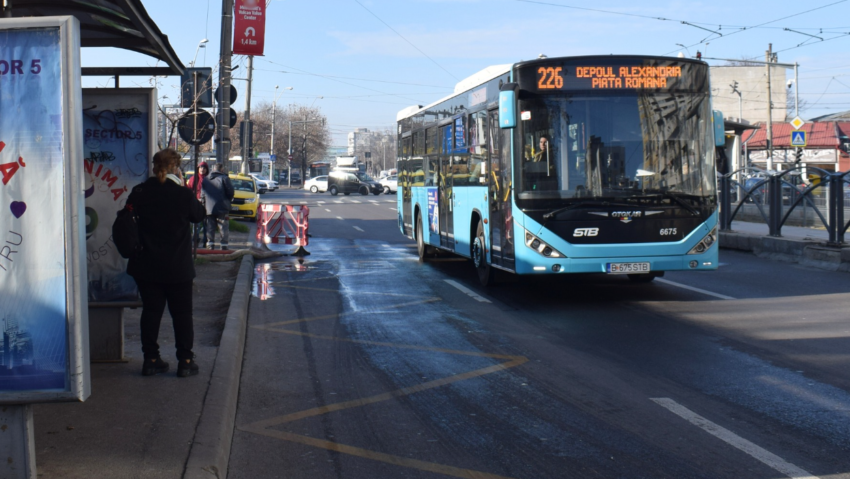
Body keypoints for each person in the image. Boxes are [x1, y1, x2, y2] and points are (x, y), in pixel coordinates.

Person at [126, 149, 205, 377]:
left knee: (151, 312)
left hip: (146, 265)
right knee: (182, 314)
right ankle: (185, 361)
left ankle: (151, 359)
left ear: (154, 166)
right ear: (175, 168)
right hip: (177, 267)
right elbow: (199, 216)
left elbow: (127, 218)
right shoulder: (183, 194)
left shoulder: (140, 192)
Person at [202, 163, 235, 250]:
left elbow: (203, 194)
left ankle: (210, 245)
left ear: (213, 169)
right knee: (223, 226)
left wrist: (204, 204)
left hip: (209, 207)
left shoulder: (206, 179)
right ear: (222, 169)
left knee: (210, 227)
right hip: (222, 206)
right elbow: (230, 192)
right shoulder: (225, 178)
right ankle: (223, 246)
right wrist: (228, 200)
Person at [186, 161, 209, 248]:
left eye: (204, 168)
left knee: (206, 224)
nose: (202, 169)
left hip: (207, 205)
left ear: (207, 170)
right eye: (201, 168)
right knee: (196, 224)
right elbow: (189, 190)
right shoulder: (194, 178)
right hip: (196, 204)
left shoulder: (209, 179)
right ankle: (195, 241)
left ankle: (205, 241)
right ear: (198, 169)